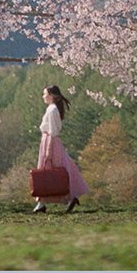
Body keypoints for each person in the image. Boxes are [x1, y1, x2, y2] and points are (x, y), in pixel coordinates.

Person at [32, 85, 89, 214]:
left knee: (49, 171)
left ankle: (44, 203)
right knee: (52, 171)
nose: (43, 96)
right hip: (49, 141)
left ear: (51, 95)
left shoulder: (52, 110)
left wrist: (48, 150)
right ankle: (43, 202)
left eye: (45, 94)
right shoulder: (52, 109)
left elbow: (53, 131)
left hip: (50, 142)